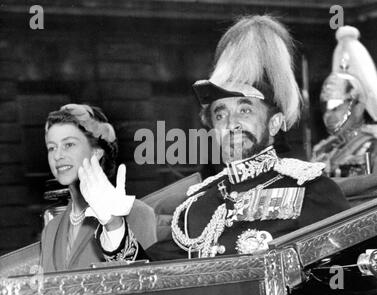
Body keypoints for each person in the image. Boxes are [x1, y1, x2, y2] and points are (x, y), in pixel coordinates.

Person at [145, 15, 350, 261]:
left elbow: (347, 279)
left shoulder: (311, 191)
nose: (231, 124)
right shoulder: (198, 204)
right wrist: (114, 227)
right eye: (220, 115)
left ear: (274, 123)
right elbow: (149, 275)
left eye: (245, 110)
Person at [41, 103, 154, 272]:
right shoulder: (51, 229)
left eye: (69, 144)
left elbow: (148, 285)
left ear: (96, 152)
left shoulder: (136, 213)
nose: (57, 156)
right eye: (52, 147)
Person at [311, 26, 377, 199]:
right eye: (326, 107)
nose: (330, 115)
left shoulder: (374, 143)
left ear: (358, 105)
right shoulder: (323, 149)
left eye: (336, 106)